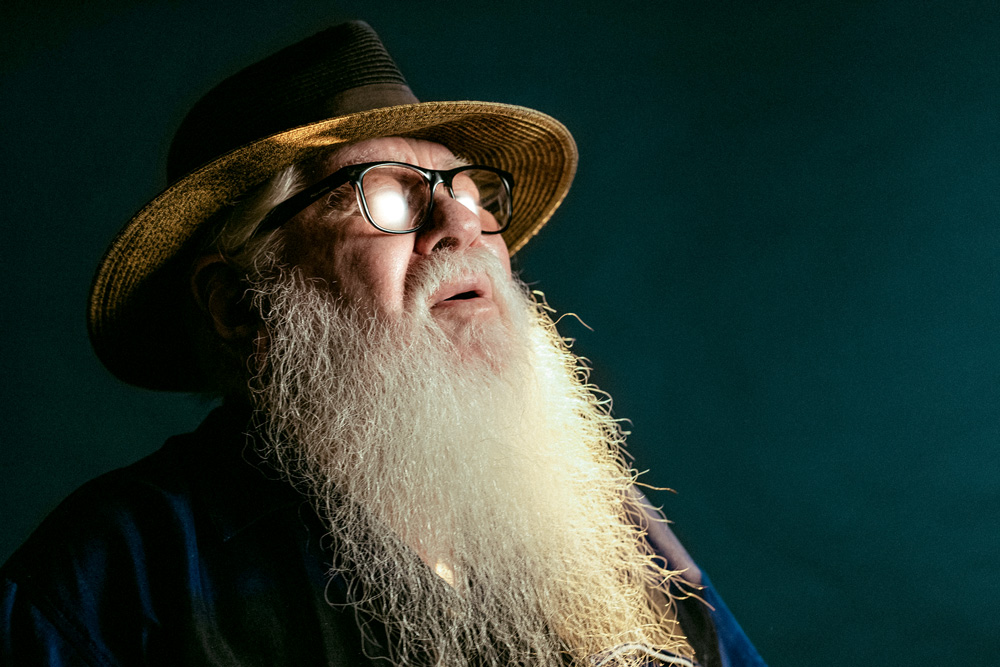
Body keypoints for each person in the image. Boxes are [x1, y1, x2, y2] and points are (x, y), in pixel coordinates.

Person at [0, 21, 766, 667]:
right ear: (240, 306)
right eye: (388, 194)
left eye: (467, 190)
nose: (462, 224)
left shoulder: (613, 533)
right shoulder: (117, 579)